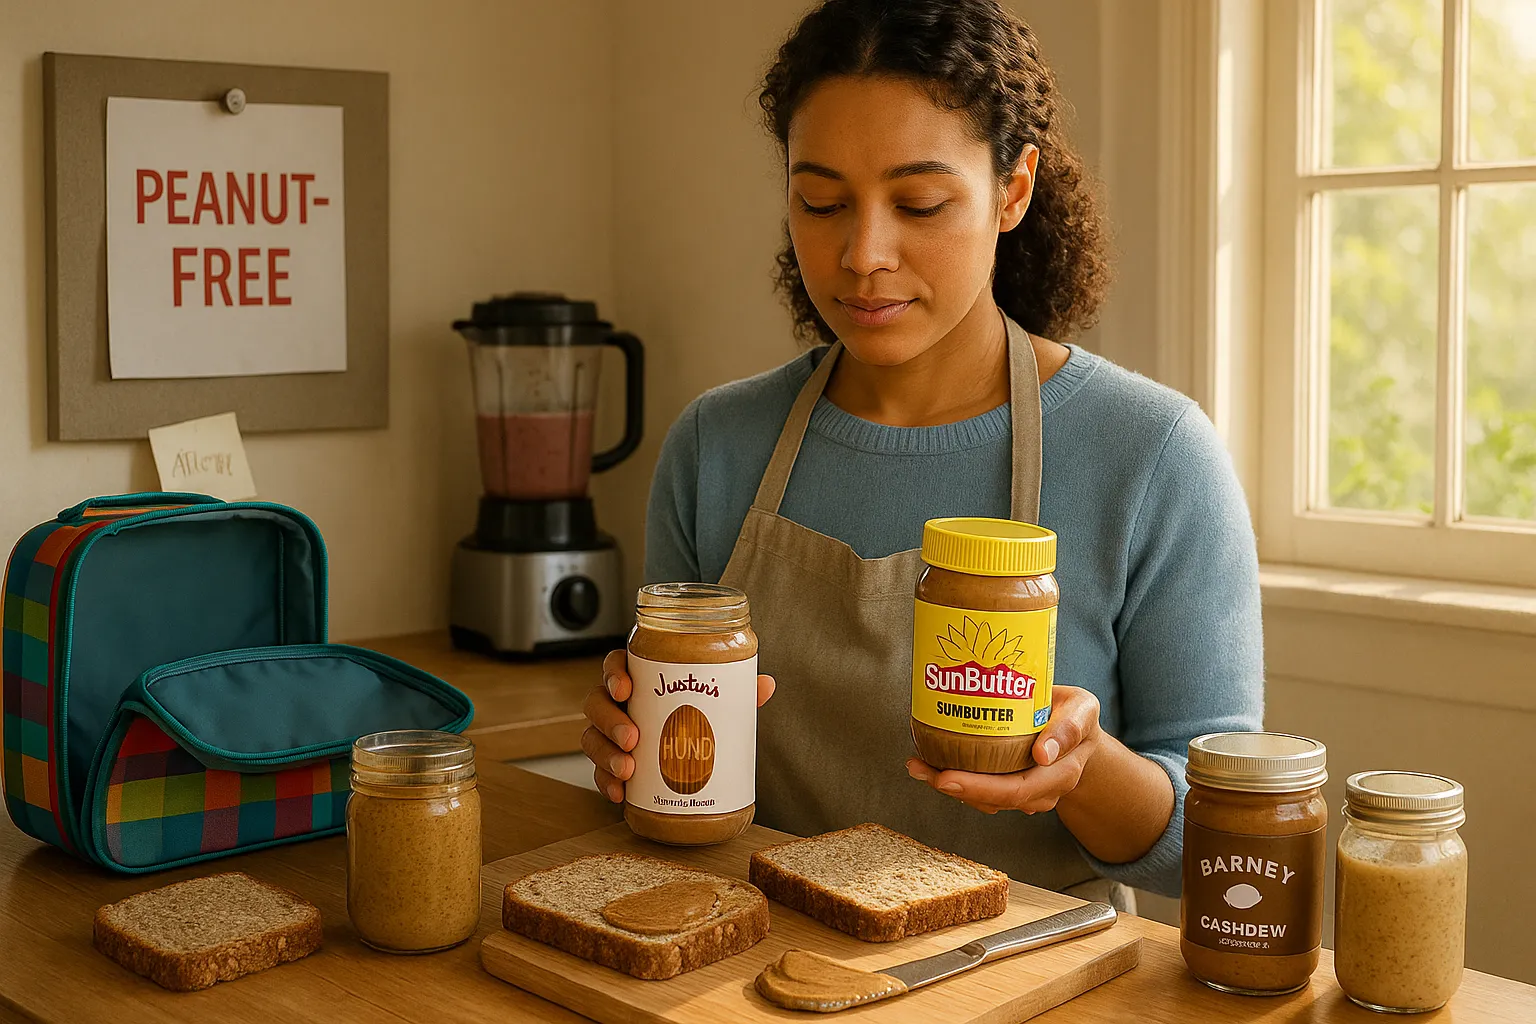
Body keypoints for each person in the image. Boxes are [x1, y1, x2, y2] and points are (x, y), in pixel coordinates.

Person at [580, 0, 1262, 905]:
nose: (863, 253)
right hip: (757, 972)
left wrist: (1083, 767)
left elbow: (1220, 844)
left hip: (1030, 989)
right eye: (820, 201)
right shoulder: (716, 446)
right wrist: (637, 751)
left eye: (920, 203)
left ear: (1013, 190)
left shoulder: (1153, 455)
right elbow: (677, 791)